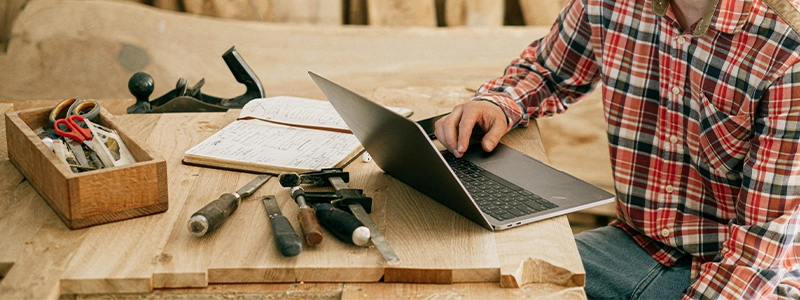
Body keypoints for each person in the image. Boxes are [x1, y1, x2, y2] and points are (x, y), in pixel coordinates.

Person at [434, 0, 800, 298]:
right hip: (632, 245)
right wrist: (501, 102)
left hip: (743, 276)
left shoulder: (787, 47)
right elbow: (548, 71)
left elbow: (758, 251)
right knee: (483, 285)